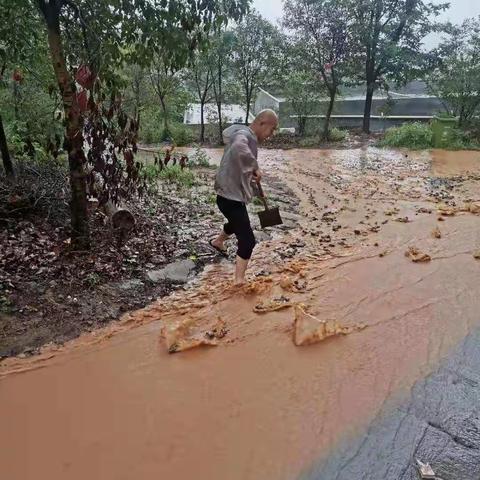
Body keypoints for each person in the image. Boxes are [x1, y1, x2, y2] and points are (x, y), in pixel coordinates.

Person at [210, 109, 279, 285]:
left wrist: (257, 190)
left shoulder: (249, 138)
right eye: (272, 129)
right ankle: (238, 282)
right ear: (262, 123)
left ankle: (218, 242)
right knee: (248, 240)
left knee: (235, 223)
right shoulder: (243, 135)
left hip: (229, 196)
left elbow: (244, 170)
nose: (272, 134)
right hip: (229, 198)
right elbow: (239, 149)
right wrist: (255, 166)